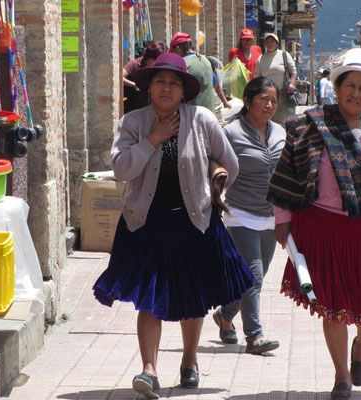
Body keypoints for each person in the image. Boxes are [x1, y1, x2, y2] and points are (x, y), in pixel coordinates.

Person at [92, 53, 254, 399]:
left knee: (191, 296)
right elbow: (121, 170)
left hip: (193, 221)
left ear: (184, 91)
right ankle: (149, 370)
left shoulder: (202, 119)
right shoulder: (133, 123)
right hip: (146, 222)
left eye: (174, 83)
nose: (166, 88)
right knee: (149, 299)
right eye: (160, 82)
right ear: (149, 87)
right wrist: (152, 138)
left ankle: (190, 361)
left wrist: (214, 194)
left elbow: (231, 164)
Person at [268, 48, 361, 399]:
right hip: (323, 227)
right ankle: (341, 377)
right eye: (349, 85)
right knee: (333, 305)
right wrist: (283, 220)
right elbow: (288, 173)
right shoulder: (311, 125)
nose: (355, 93)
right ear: (337, 88)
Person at [213, 77, 286, 355]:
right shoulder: (231, 133)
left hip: (270, 214)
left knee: (255, 277)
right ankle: (254, 337)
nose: (269, 105)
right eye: (263, 99)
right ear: (247, 102)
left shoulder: (280, 132)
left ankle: (225, 314)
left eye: (273, 101)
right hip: (240, 212)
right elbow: (214, 165)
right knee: (253, 274)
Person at [254, 33, 297, 128]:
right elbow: (257, 77)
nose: (270, 44)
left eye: (272, 42)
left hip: (281, 93)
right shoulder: (261, 59)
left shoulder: (284, 55)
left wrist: (292, 83)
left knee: (279, 118)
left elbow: (293, 70)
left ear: (276, 44)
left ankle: (280, 140)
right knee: (267, 117)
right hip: (266, 94)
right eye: (267, 42)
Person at [168, 32, 216, 112]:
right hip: (209, 114)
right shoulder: (205, 60)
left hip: (192, 116)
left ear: (177, 49)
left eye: (172, 53)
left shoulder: (184, 64)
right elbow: (215, 83)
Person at [123, 40, 166, 113]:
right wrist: (134, 85)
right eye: (156, 61)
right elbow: (119, 77)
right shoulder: (135, 64)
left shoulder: (159, 68)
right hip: (132, 109)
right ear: (149, 58)